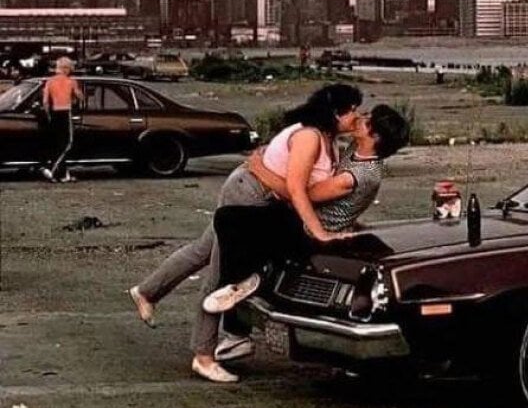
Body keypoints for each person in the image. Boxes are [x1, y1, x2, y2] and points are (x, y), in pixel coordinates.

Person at [128, 83, 363, 384]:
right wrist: (319, 232)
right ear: (334, 113)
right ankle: (203, 355)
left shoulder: (328, 139)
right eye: (352, 109)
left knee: (203, 250)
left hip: (256, 191)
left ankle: (147, 291)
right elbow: (296, 190)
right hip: (250, 195)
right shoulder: (309, 137)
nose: (356, 115)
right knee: (220, 273)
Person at [203, 104, 410, 316]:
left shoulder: (360, 175)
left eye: (367, 120)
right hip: (304, 218)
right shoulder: (356, 151)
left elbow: (302, 194)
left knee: (227, 218)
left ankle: (242, 289)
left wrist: (260, 169)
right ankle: (244, 283)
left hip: (310, 230)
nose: (360, 118)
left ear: (375, 137)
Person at [40, 57, 83, 183]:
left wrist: (48, 115)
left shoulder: (49, 81)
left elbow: (45, 102)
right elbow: (80, 97)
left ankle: (64, 174)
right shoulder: (71, 81)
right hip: (65, 112)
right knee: (67, 144)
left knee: (57, 144)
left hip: (53, 113)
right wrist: (76, 96)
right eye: (70, 68)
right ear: (66, 68)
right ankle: (50, 169)